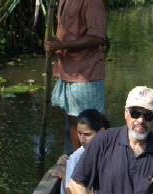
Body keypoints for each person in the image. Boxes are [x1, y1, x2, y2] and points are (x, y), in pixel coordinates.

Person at [44, 0, 107, 152]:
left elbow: (97, 37)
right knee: (73, 121)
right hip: (67, 71)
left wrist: (63, 45)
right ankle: (75, 160)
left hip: (85, 73)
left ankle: (91, 162)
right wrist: (55, 44)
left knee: (90, 124)